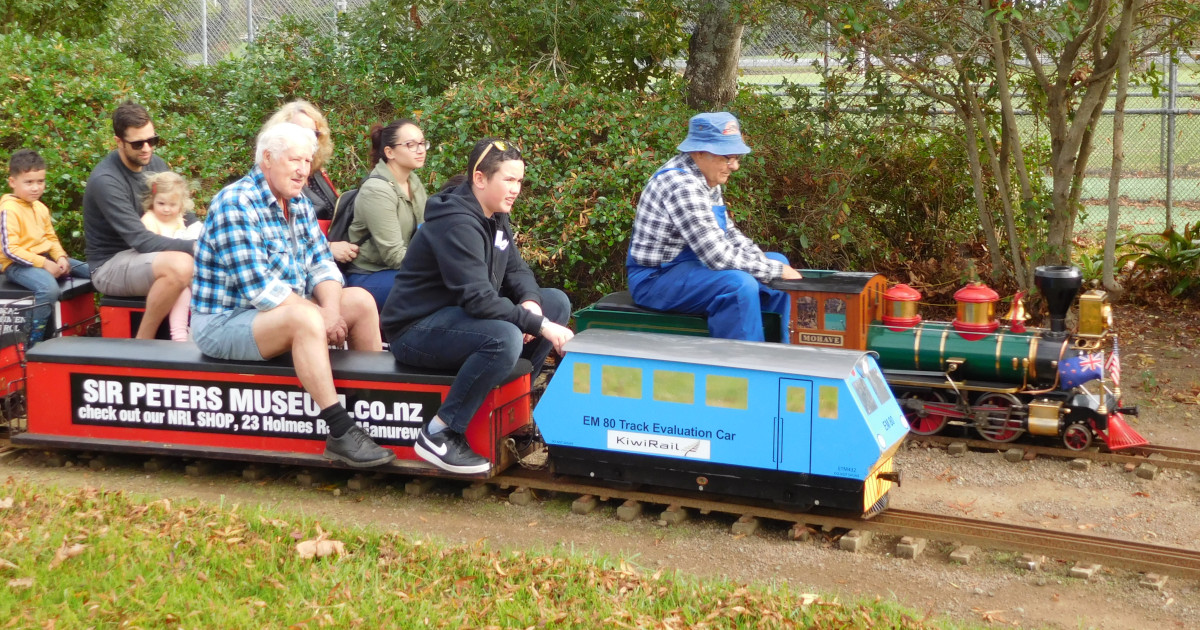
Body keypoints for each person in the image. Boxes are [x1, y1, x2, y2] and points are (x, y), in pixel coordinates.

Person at [192, 122, 394, 468]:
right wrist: (319, 317)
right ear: (267, 159)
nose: (303, 171)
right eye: (295, 161)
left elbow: (323, 266)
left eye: (307, 161)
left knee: (358, 300)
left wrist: (330, 310)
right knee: (304, 318)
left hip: (282, 310)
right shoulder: (235, 203)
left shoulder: (297, 203)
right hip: (224, 321)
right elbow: (260, 289)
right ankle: (341, 431)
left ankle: (379, 411)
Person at [381, 138, 573, 474]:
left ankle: (513, 412)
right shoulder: (455, 222)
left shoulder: (495, 214)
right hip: (415, 329)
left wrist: (532, 304)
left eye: (519, 181)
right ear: (480, 179)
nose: (516, 189)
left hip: (458, 320)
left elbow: (515, 269)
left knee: (554, 302)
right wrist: (538, 326)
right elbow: (478, 298)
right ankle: (440, 432)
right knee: (505, 336)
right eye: (509, 180)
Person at [626, 111, 802, 342]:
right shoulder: (682, 185)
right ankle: (744, 367)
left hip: (692, 266)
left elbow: (728, 234)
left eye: (736, 158)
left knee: (777, 260)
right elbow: (717, 255)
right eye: (727, 158)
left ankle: (779, 349)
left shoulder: (706, 178)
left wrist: (772, 266)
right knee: (738, 285)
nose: (735, 166)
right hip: (656, 278)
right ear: (700, 152)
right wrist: (776, 272)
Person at [83, 101, 194, 340]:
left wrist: (203, 233)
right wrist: (196, 247)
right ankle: (143, 341)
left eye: (152, 140)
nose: (146, 148)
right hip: (111, 264)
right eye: (137, 143)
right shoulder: (106, 180)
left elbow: (180, 209)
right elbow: (141, 240)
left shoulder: (154, 163)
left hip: (151, 253)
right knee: (182, 266)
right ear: (118, 142)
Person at [0, 149, 91, 345]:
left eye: (40, 182)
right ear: (12, 182)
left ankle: (88, 327)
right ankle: (34, 341)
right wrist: (44, 264)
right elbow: (10, 249)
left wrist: (60, 257)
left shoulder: (40, 207)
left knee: (94, 272)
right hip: (18, 265)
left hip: (43, 259)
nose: (35, 188)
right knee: (48, 289)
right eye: (29, 182)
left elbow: (50, 238)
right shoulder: (8, 209)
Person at [343, 119, 429, 309]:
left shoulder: (413, 182)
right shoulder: (377, 190)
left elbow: (426, 232)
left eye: (422, 143)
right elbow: (394, 255)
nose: (420, 150)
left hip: (403, 270)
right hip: (369, 275)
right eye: (411, 145)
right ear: (389, 152)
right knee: (432, 288)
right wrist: (435, 267)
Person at [261, 101, 359, 265]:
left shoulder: (317, 173)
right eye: (298, 132)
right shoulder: (274, 181)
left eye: (313, 133)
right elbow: (276, 238)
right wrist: (328, 247)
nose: (306, 139)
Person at [141, 171, 203, 341]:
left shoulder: (179, 219)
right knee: (181, 292)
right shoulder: (150, 220)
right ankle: (179, 336)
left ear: (181, 205)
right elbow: (150, 249)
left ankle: (199, 330)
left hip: (187, 272)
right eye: (161, 203)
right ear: (152, 201)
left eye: (172, 204)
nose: (167, 209)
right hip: (164, 274)